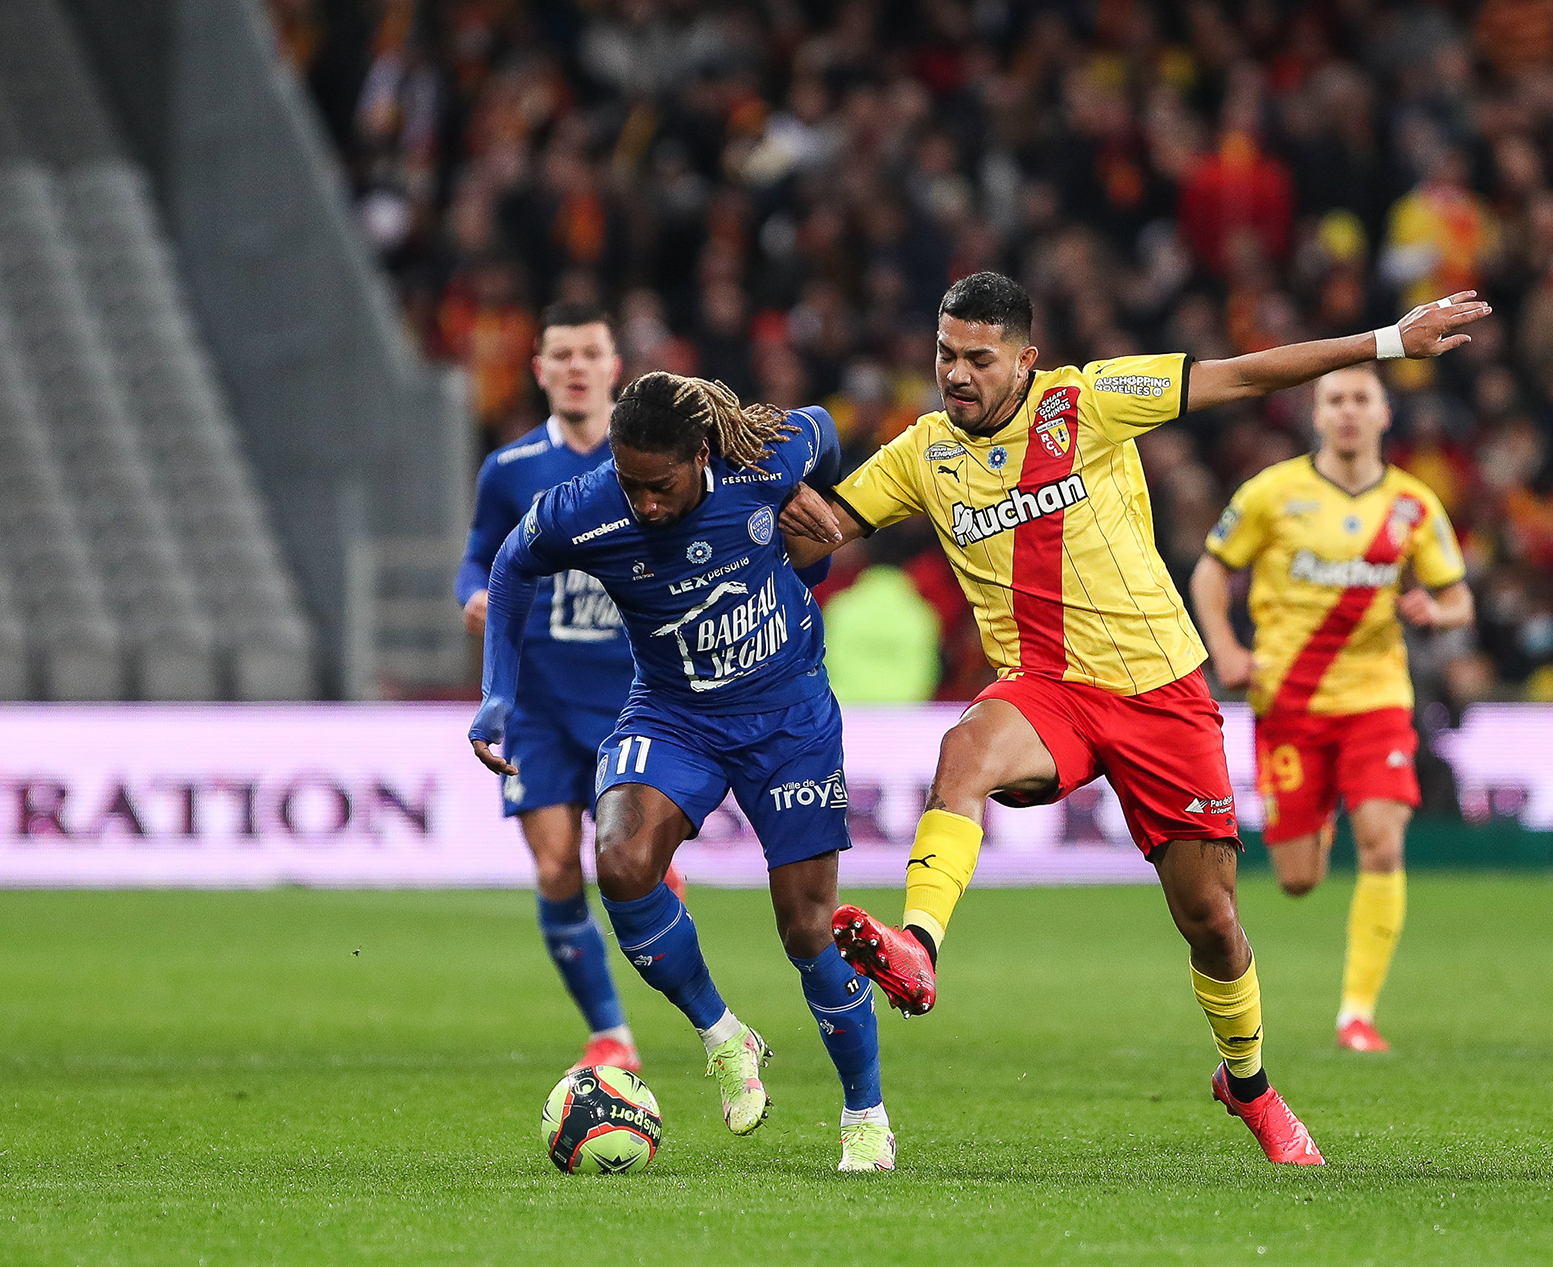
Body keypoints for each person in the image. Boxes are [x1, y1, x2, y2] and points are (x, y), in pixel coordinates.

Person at [777, 271, 1487, 1165]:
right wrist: (748, 491)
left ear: (1027, 361)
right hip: (1049, 692)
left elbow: (1243, 374)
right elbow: (820, 532)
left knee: (1212, 921)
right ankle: (917, 946)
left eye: (978, 359)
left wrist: (1387, 341)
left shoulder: (1094, 400)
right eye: (944, 355)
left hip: (1162, 693)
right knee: (963, 750)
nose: (955, 374)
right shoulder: (922, 453)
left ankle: (1249, 1083)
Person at [468, 372, 897, 1174]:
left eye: (660, 487)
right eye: (631, 484)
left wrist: (816, 497)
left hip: (788, 715)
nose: (644, 505)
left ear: (700, 455)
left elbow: (827, 427)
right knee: (622, 861)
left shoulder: (764, 461)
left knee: (808, 928)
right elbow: (510, 565)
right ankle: (724, 1035)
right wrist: (498, 694)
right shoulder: (588, 505)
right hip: (673, 714)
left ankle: (864, 1110)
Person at [1190, 366, 1476, 1055]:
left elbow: (1460, 596)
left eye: (1361, 400)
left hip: (1376, 698)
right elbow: (1209, 568)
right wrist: (1225, 647)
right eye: (1335, 400)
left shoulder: (1413, 504)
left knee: (1382, 843)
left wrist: (1436, 611)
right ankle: (1313, 821)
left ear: (1384, 414)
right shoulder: (1271, 493)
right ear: (1317, 415)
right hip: (1287, 702)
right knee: (1296, 878)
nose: (1348, 411)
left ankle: (1357, 1013)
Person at [455, 301, 679, 1077]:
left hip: (636, 699)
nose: (577, 366)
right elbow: (478, 556)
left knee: (631, 860)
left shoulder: (653, 461)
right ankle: (610, 1031)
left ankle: (662, 895)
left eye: (590, 352)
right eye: (562, 354)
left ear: (616, 367)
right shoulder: (511, 471)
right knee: (556, 867)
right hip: (544, 706)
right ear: (541, 369)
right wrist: (472, 597)